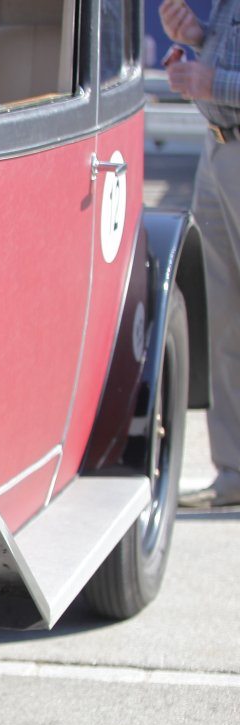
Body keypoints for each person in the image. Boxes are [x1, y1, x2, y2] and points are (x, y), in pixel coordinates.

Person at [164, 0, 240, 507]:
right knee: (225, 322)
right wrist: (198, 38)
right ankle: (234, 473)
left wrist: (214, 82)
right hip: (218, 147)